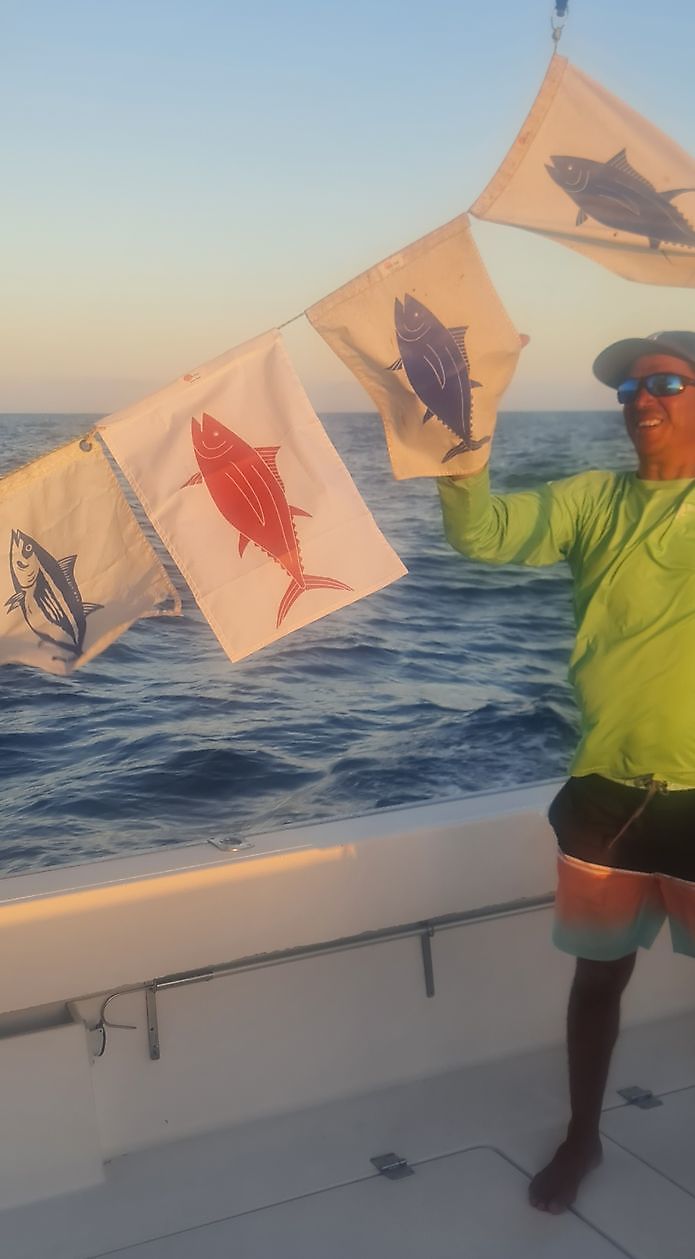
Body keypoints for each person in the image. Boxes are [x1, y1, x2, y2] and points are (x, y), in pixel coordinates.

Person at [437, 330, 695, 1215]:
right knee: (596, 978)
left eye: (666, 382)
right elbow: (481, 534)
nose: (640, 399)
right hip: (605, 794)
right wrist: (458, 453)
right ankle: (582, 1134)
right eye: (628, 388)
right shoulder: (592, 500)